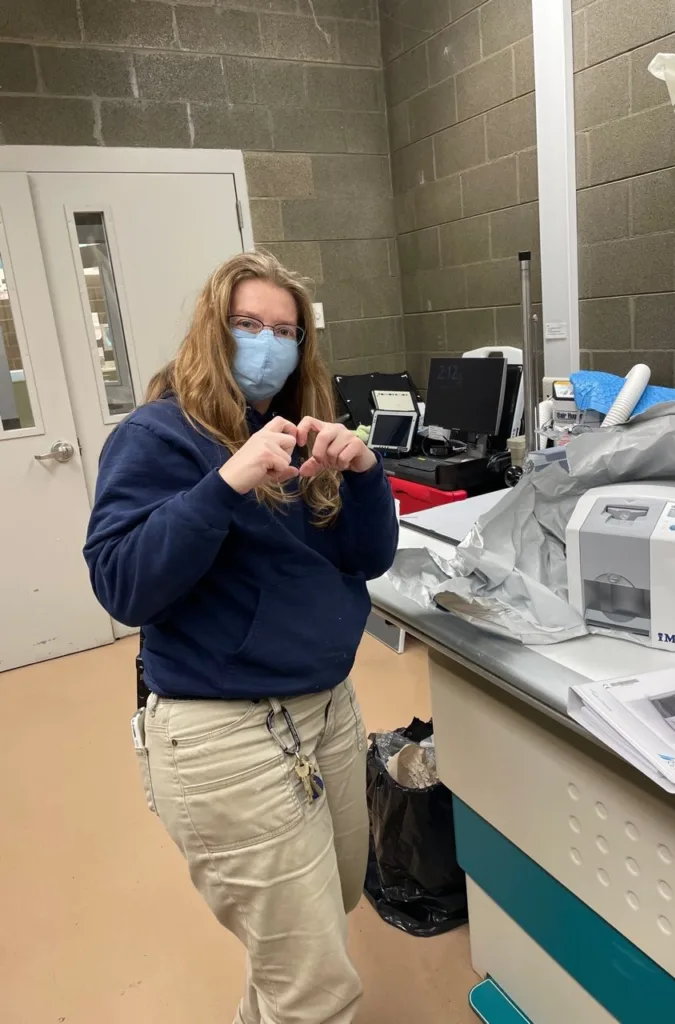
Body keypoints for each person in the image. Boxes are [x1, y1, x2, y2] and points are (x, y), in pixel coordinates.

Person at [83, 249, 399, 1024]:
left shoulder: (297, 431)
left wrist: (364, 474)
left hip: (327, 709)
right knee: (317, 986)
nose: (269, 345)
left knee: (332, 905)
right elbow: (123, 583)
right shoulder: (161, 436)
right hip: (230, 733)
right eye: (248, 325)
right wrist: (226, 483)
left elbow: (369, 557)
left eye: (286, 331)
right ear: (212, 333)